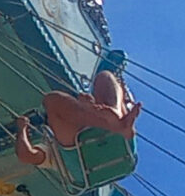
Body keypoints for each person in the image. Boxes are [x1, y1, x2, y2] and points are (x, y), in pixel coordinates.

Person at [11, 69, 140, 166]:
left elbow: (26, 155)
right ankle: (112, 118)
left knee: (53, 100)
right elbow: (27, 156)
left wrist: (21, 129)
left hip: (79, 153)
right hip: (116, 140)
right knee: (104, 77)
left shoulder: (54, 155)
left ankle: (108, 117)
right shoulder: (125, 127)